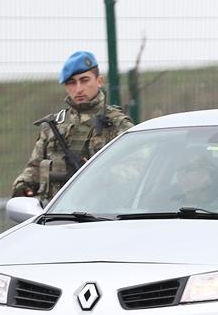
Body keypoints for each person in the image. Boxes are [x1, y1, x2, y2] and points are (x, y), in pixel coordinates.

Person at [12, 51, 133, 202]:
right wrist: (23, 185)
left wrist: (97, 174)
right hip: (57, 217)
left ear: (99, 81)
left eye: (84, 80)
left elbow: (135, 171)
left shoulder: (118, 124)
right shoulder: (53, 126)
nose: (78, 89)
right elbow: (35, 167)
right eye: (71, 82)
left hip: (104, 215)